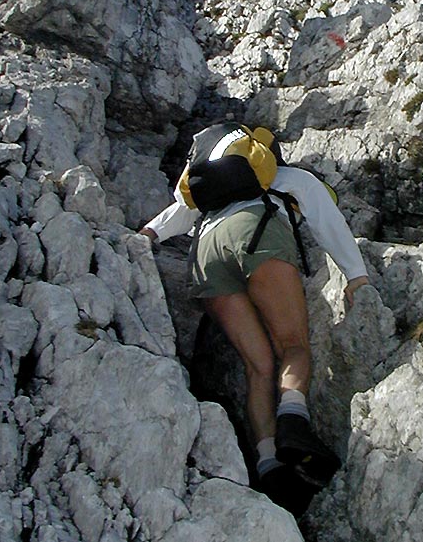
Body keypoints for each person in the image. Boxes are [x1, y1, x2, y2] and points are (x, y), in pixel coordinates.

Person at [139, 157, 369, 511]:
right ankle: (294, 424)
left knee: (257, 366)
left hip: (204, 254)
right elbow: (327, 220)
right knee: (292, 346)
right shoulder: (286, 177)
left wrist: (148, 234)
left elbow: (181, 211)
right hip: (256, 232)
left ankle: (268, 465)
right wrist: (355, 274)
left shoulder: (212, 190)